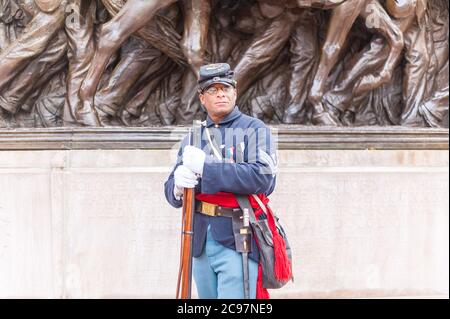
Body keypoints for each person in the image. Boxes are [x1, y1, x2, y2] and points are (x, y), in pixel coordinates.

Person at [164, 63, 285, 299]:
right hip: (199, 241)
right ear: (202, 98)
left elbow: (263, 178)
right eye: (213, 89)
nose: (221, 93)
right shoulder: (193, 137)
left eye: (226, 88)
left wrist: (207, 169)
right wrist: (177, 186)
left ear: (234, 93)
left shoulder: (254, 129)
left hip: (237, 238)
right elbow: (170, 193)